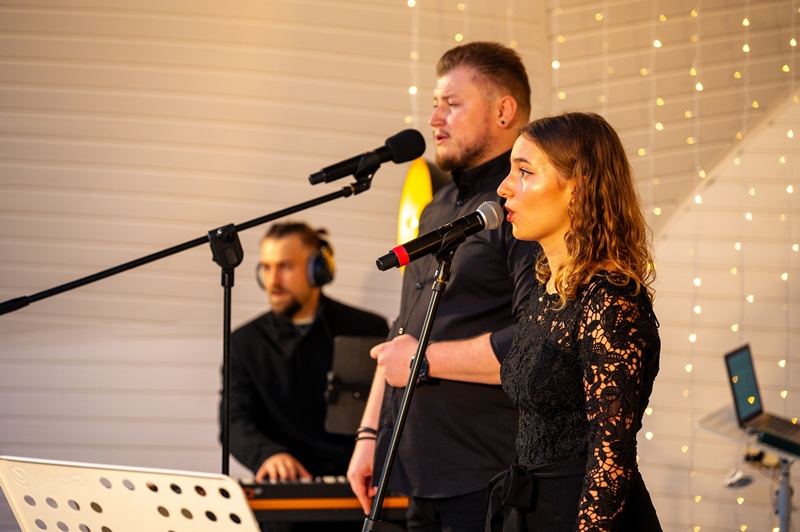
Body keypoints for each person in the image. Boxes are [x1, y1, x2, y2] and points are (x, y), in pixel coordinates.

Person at [347, 42, 538, 531]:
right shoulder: (437, 206)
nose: (435, 119)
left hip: (487, 475)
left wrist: (423, 361)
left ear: (503, 111)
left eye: (452, 104)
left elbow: (536, 342)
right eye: (435, 104)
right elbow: (404, 329)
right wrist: (369, 435)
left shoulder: (524, 206)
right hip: (416, 471)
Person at [487, 112, 662, 531]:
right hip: (533, 508)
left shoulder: (610, 300)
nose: (504, 187)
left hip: (584, 514)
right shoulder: (549, 289)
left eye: (524, 172)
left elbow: (611, 456)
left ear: (577, 188)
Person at [222, 222, 389, 529]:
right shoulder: (244, 343)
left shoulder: (370, 329)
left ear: (318, 270)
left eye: (284, 266)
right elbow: (233, 423)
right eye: (266, 268)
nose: (272, 281)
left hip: (360, 495)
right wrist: (268, 456)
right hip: (284, 507)